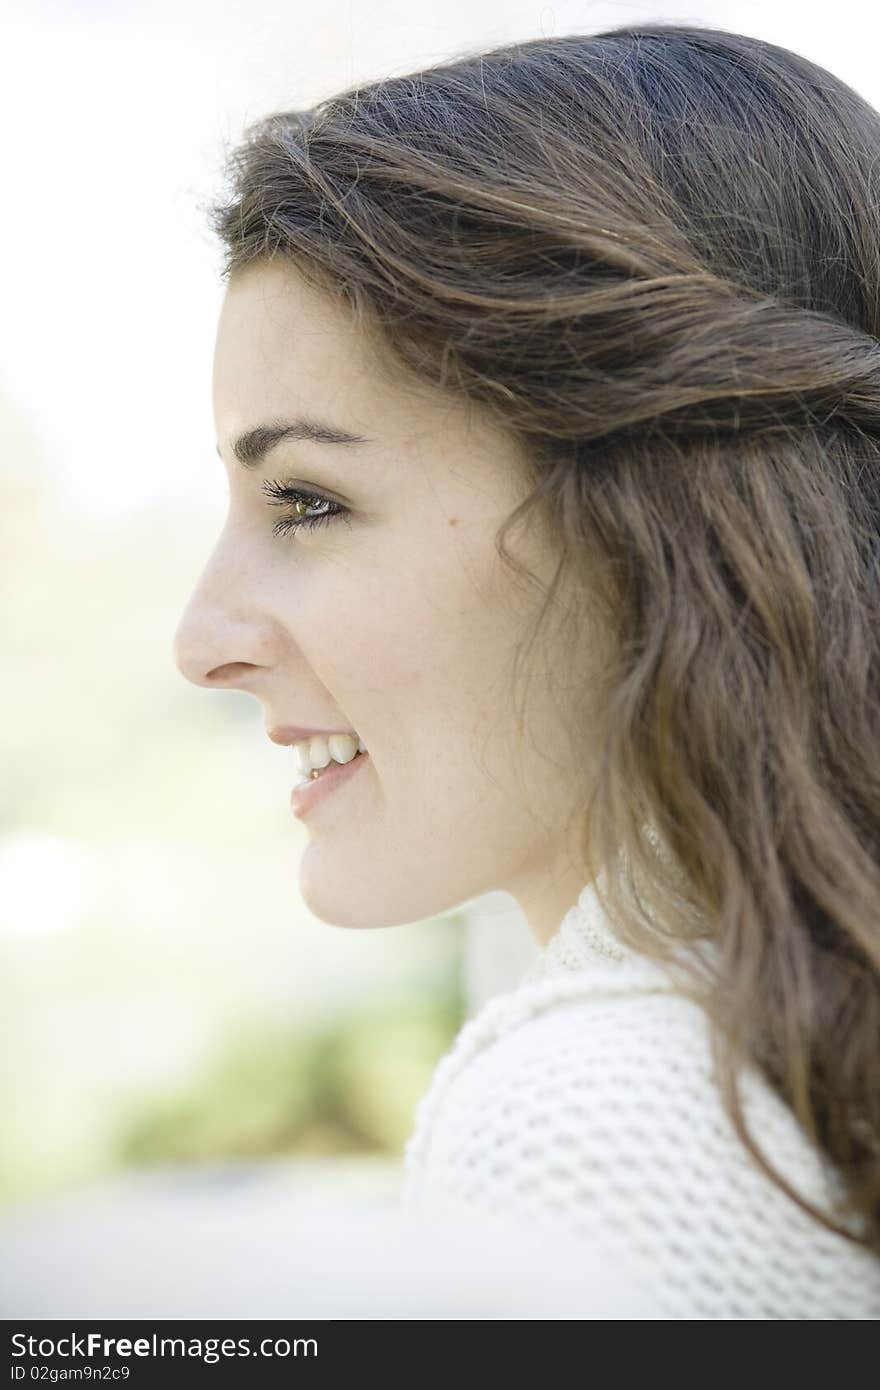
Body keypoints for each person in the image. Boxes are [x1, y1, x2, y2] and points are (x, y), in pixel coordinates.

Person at [172, 22, 880, 1317]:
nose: (203, 638)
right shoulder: (799, 1081)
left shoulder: (586, 1131)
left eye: (311, 500)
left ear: (650, 522)